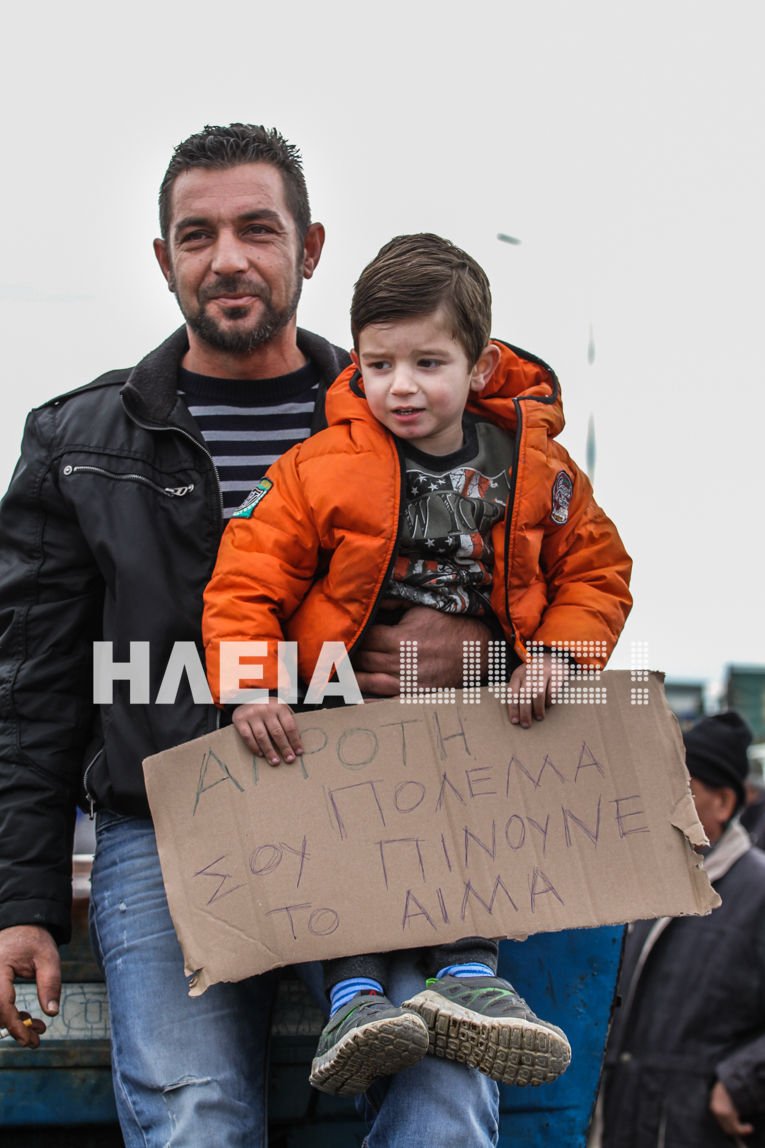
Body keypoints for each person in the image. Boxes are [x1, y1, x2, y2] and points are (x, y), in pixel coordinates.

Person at [0, 125, 503, 1148]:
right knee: (194, 1117)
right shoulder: (78, 442)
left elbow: (542, 627)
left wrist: (475, 652)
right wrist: (22, 900)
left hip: (387, 802)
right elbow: (30, 691)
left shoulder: (418, 414)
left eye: (256, 229)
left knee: (447, 1101)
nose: (227, 257)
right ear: (164, 260)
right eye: (197, 234)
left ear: (310, 248)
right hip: (168, 823)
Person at [203, 234, 633, 1098]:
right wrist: (250, 684)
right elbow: (245, 574)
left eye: (428, 362)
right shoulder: (317, 468)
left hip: (476, 707)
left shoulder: (535, 468)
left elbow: (597, 572)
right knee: (354, 837)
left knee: (474, 824)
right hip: (347, 709)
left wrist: (556, 656)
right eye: (377, 363)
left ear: (478, 367)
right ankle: (354, 997)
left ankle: (469, 977)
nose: (400, 386)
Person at [597, 711, 765, 1147]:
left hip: (696, 1130)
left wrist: (739, 1082)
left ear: (724, 803)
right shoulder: (659, 880)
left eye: (682, 789)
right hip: (627, 1122)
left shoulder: (757, 890)